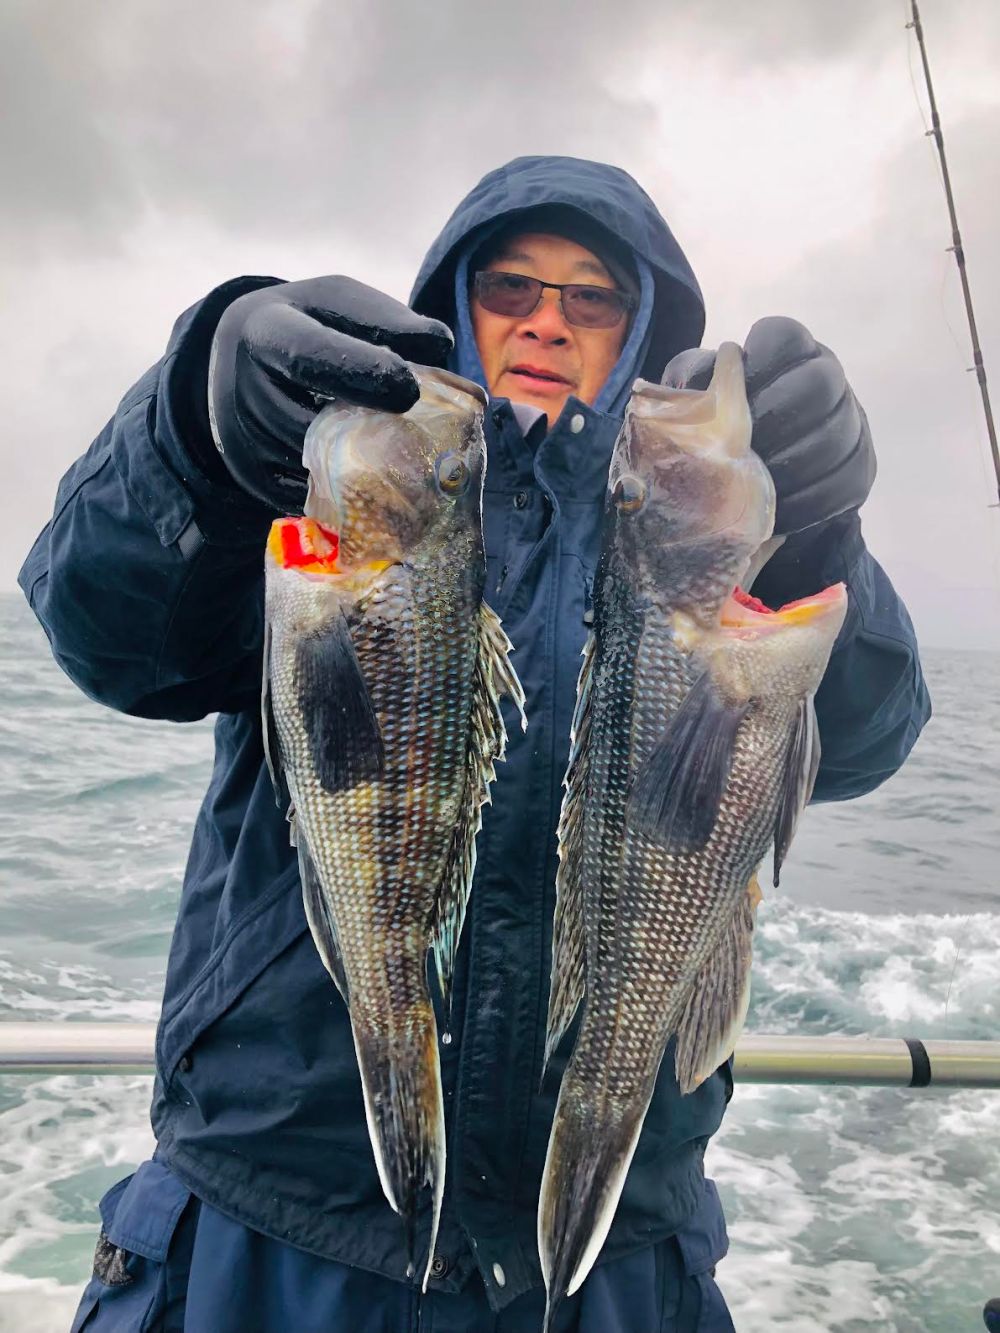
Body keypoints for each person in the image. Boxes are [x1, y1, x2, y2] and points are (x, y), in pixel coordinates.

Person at [21, 155, 930, 1333]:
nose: (548, 319)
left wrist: (814, 540)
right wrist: (195, 417)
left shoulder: (700, 536)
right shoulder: (307, 508)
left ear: (639, 331)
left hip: (607, 1262)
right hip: (275, 1223)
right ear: (452, 304)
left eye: (593, 298)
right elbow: (105, 627)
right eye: (510, 287)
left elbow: (860, 739)